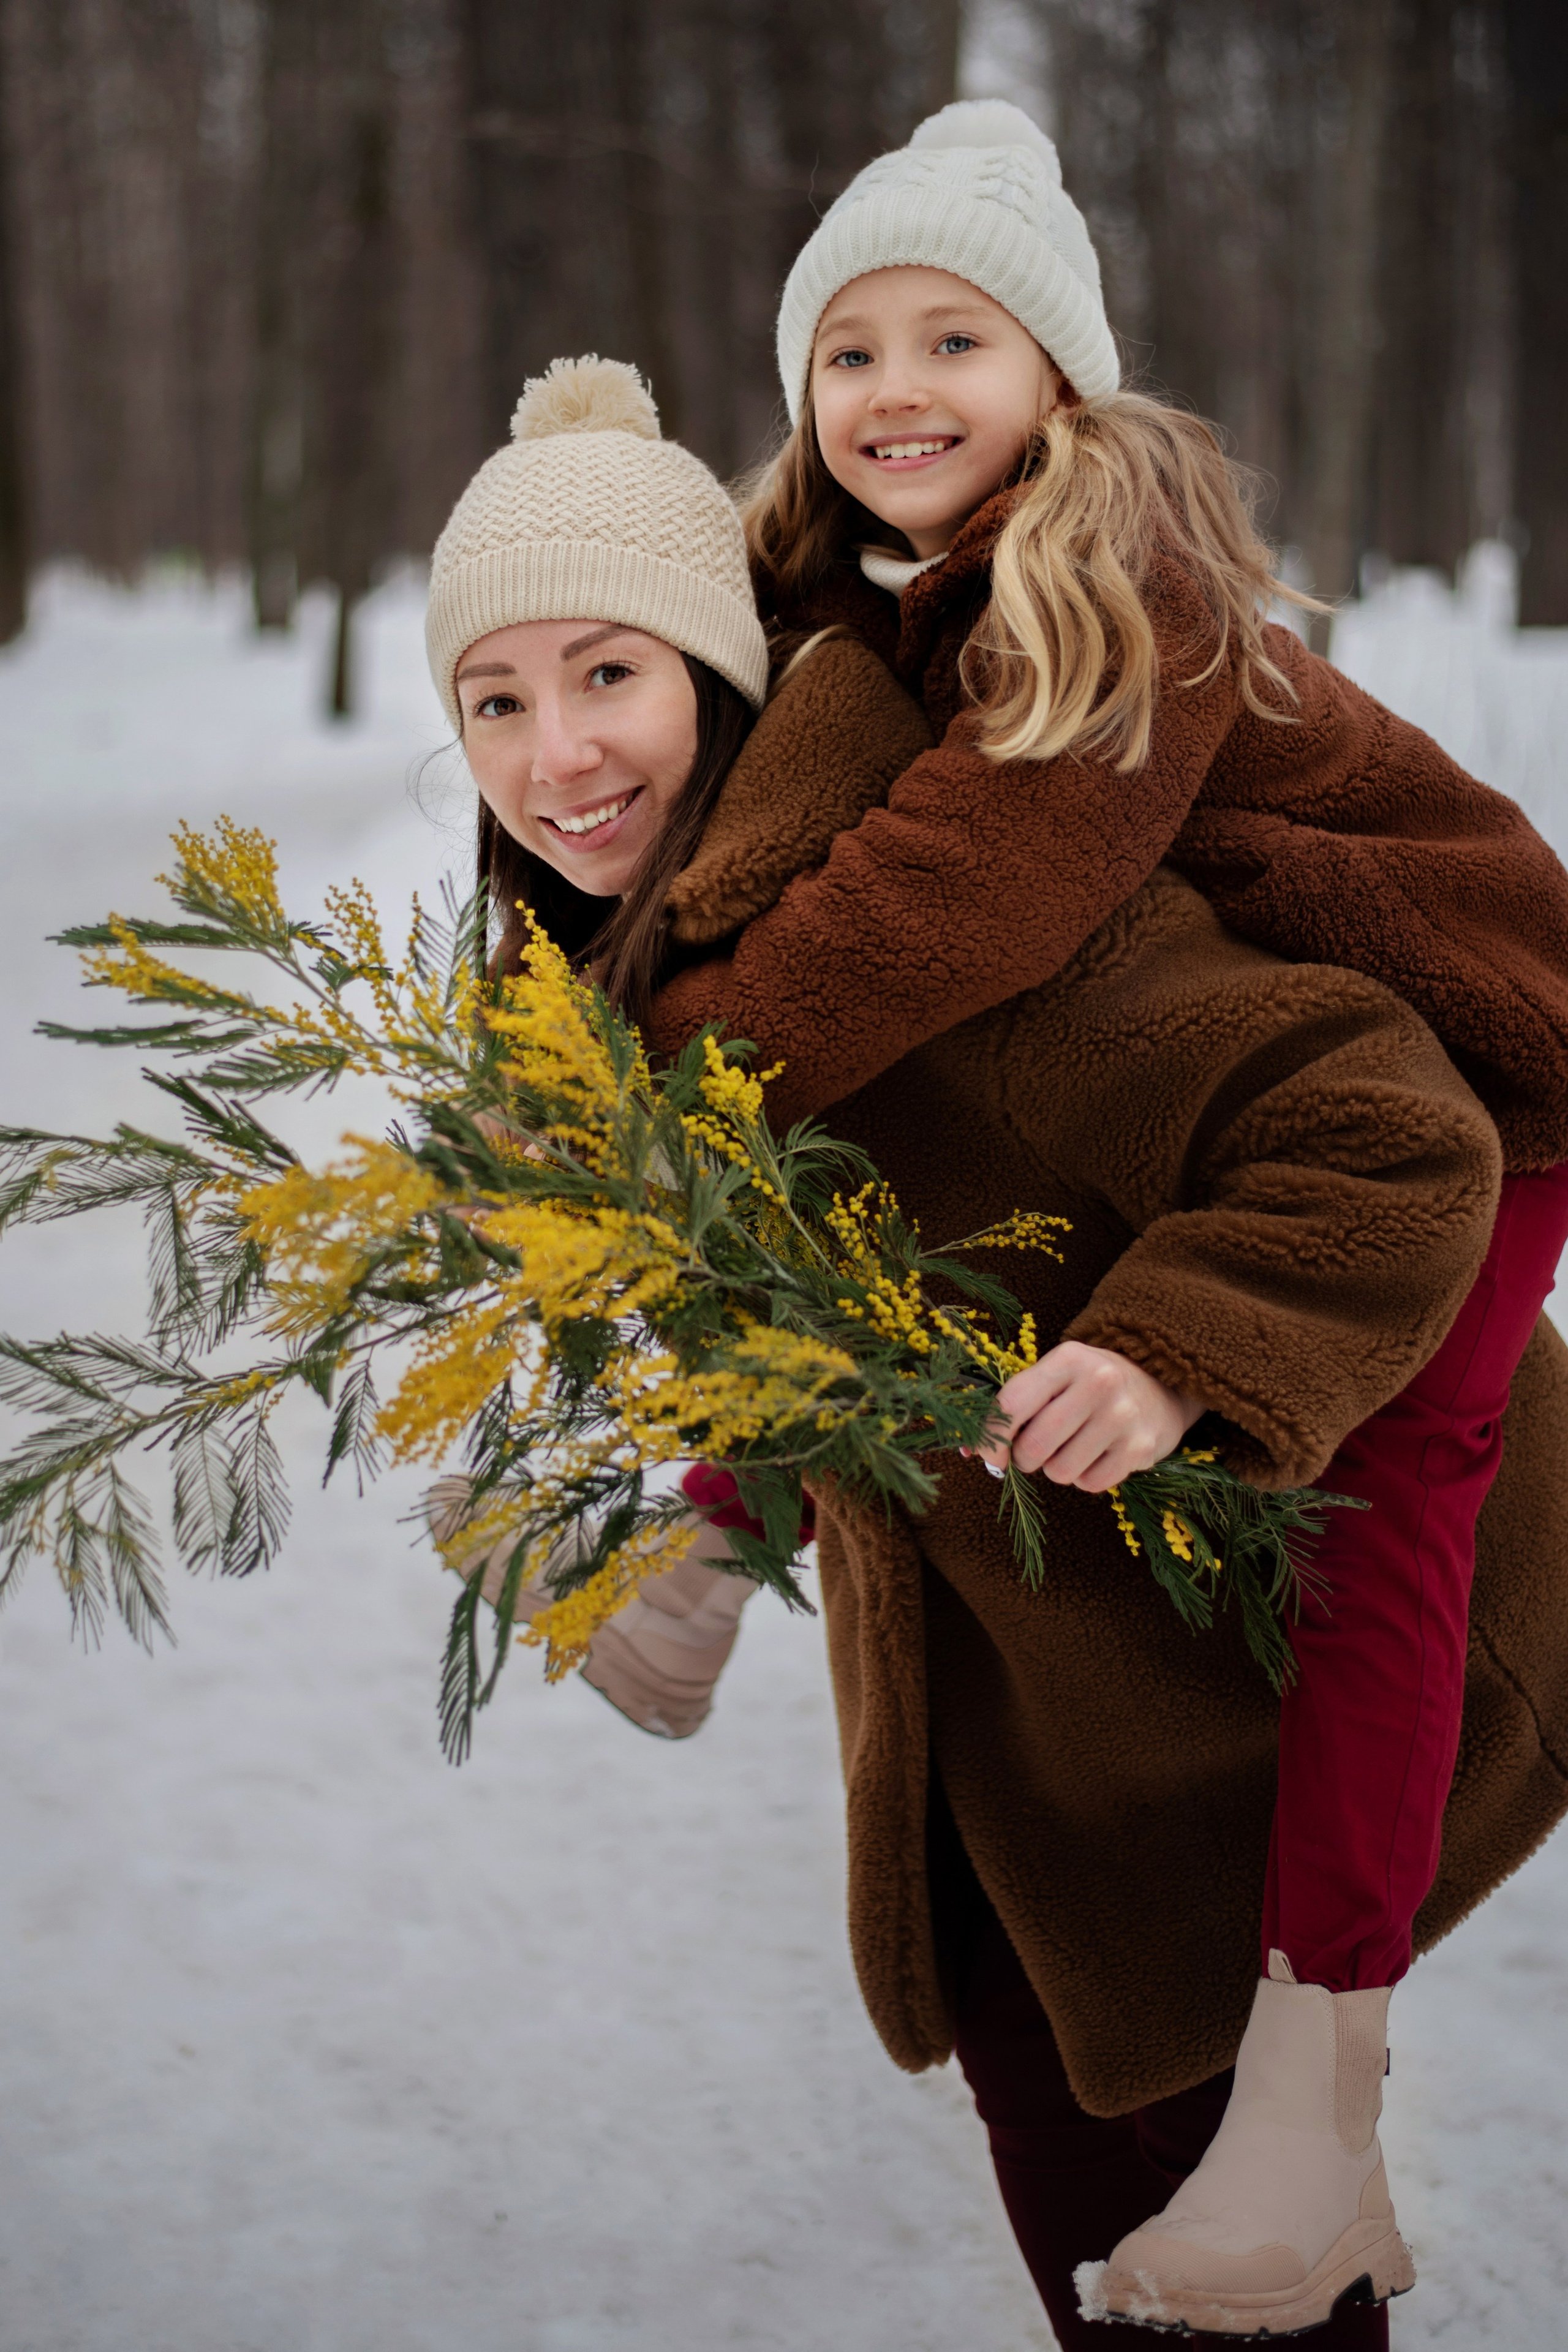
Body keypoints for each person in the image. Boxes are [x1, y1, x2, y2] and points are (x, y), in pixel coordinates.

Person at [421, 355, 1568, 2346]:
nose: (554, 754)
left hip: (1222, 1723)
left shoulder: (963, 927)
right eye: (493, 702)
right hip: (1033, 1770)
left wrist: (1170, 1350)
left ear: (718, 673)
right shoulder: (642, 969)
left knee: (1220, 2301)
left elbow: (1393, 1143)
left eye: (607, 674)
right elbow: (845, 1288)